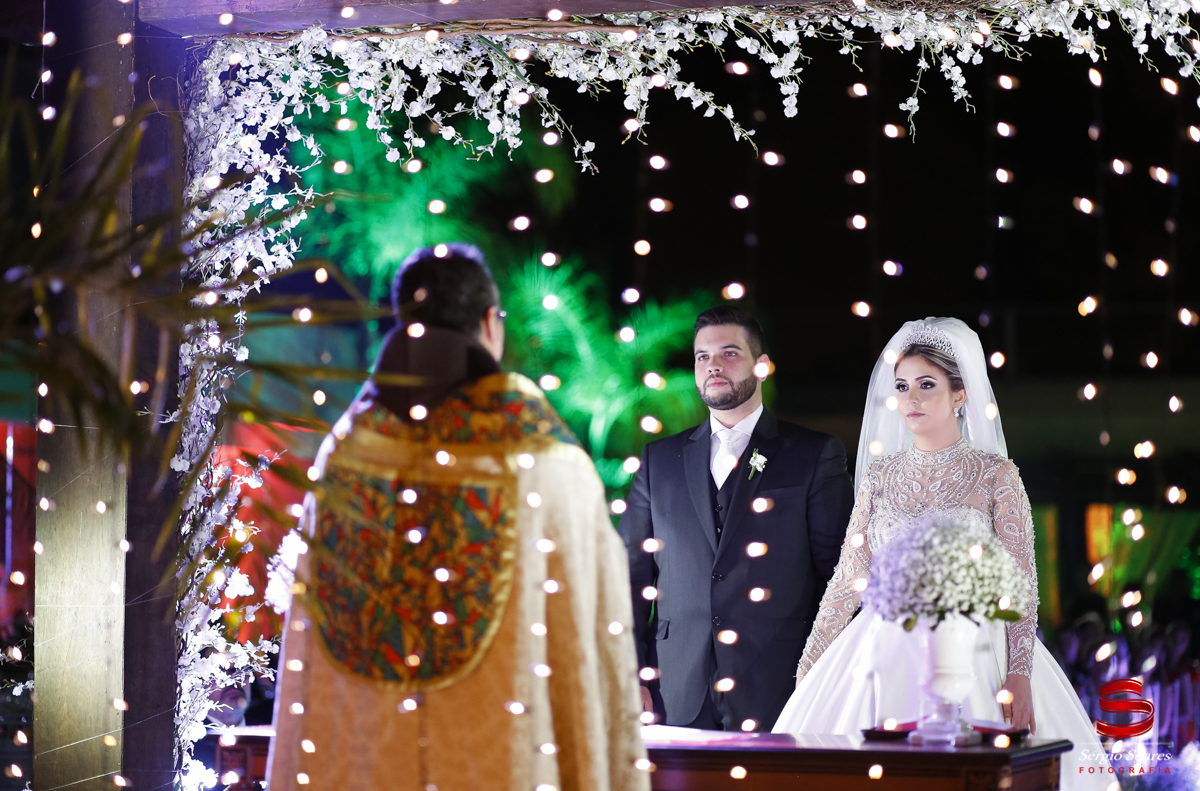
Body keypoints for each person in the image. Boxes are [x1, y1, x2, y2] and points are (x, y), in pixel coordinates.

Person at [267, 244, 649, 791]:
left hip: (371, 758)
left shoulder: (349, 455)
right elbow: (592, 643)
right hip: (503, 755)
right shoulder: (543, 460)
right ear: (490, 324)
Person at [772, 317, 1111, 789]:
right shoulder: (880, 476)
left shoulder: (996, 475)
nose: (910, 398)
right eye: (903, 385)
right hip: (882, 652)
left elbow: (1021, 582)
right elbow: (850, 575)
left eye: (926, 385)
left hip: (976, 650)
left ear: (959, 394)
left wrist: (1018, 674)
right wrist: (810, 663)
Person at [618, 306, 854, 732]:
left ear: (760, 365)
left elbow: (837, 577)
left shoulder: (813, 454)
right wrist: (630, 674)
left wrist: (826, 679)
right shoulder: (659, 461)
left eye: (729, 353)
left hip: (780, 686)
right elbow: (630, 580)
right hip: (675, 690)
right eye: (702, 357)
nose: (713, 366)